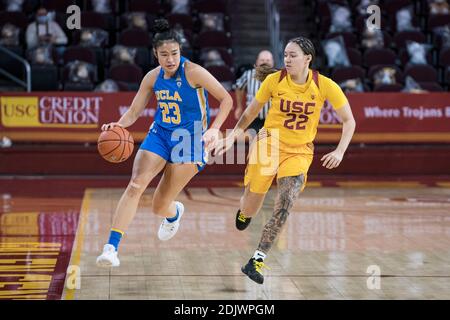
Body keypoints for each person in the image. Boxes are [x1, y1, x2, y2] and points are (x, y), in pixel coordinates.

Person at [214, 37, 356, 284]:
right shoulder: (274, 80)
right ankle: (245, 210)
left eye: (293, 55)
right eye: (286, 55)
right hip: (269, 142)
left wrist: (340, 151)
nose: (287, 60)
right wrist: (234, 135)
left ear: (307, 59)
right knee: (251, 204)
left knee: (285, 203)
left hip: (299, 151)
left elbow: (349, 120)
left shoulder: (324, 85)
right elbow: (250, 112)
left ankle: (256, 260)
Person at [96, 19, 233, 267]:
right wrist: (118, 125)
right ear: (155, 54)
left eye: (174, 53)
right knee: (135, 185)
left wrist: (214, 130)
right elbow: (134, 112)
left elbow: (226, 100)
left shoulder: (193, 72)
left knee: (159, 206)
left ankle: (174, 213)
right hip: (159, 134)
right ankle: (111, 248)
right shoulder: (152, 77)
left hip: (190, 141)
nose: (170, 59)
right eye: (164, 55)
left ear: (181, 52)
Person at [234, 50, 274, 135]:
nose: (265, 62)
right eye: (262, 60)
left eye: (268, 60)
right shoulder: (248, 74)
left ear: (273, 62)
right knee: (254, 144)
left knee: (271, 145)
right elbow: (238, 87)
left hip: (272, 118)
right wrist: (239, 106)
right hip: (253, 117)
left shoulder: (278, 75)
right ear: (257, 62)